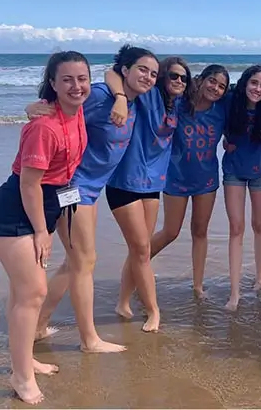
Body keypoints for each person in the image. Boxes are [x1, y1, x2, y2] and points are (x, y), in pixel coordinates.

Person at [31, 44, 159, 353]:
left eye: (154, 73)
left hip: (90, 189)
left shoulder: (133, 100)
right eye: (142, 69)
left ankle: (37, 324)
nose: (149, 77)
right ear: (124, 71)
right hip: (72, 188)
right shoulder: (102, 96)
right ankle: (89, 340)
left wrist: (122, 97)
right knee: (84, 261)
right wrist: (34, 107)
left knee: (76, 261)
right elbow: (61, 108)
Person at [0, 51, 90, 404]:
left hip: (53, 200)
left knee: (23, 293)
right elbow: (28, 185)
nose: (76, 86)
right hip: (18, 209)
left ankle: (23, 361)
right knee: (33, 291)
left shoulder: (78, 105)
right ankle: (21, 376)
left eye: (81, 78)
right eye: (66, 79)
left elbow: (115, 82)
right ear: (52, 84)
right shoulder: (44, 126)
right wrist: (40, 231)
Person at [103, 57, 192, 331]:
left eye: (183, 78)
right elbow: (112, 73)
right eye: (173, 76)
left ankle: (122, 302)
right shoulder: (148, 94)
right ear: (162, 77)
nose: (178, 82)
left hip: (153, 184)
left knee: (139, 249)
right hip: (125, 182)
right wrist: (119, 97)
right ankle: (154, 311)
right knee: (142, 249)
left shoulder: (178, 104)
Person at [150, 64, 229, 299]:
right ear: (201, 80)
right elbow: (154, 88)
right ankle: (138, 262)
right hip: (176, 177)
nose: (215, 88)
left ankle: (197, 285)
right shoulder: (180, 103)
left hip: (206, 178)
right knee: (171, 231)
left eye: (222, 86)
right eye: (212, 81)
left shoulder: (222, 109)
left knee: (200, 231)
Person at [222, 65, 261, 311]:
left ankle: (260, 278)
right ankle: (235, 292)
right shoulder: (230, 100)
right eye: (254, 83)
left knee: (260, 225)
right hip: (233, 168)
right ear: (245, 83)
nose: (258, 89)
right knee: (236, 228)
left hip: (260, 171)